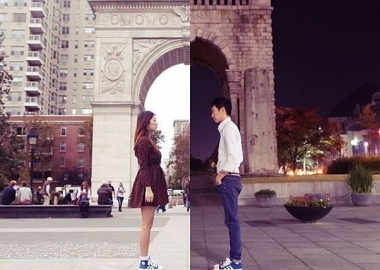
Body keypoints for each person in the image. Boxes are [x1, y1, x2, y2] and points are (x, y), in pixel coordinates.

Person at [129, 111, 169, 270]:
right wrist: (148, 188)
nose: (156, 122)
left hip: (152, 181)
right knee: (146, 224)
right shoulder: (144, 141)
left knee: (149, 223)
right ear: (146, 123)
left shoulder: (147, 140)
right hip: (148, 183)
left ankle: (146, 259)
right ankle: (144, 262)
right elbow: (143, 166)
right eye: (154, 120)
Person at [210, 97, 243, 270]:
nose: (212, 115)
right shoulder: (227, 129)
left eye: (213, 111)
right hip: (231, 179)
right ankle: (234, 259)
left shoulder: (229, 128)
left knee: (232, 221)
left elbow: (235, 157)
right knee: (232, 221)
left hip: (229, 179)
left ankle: (236, 262)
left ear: (223, 110)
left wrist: (220, 175)